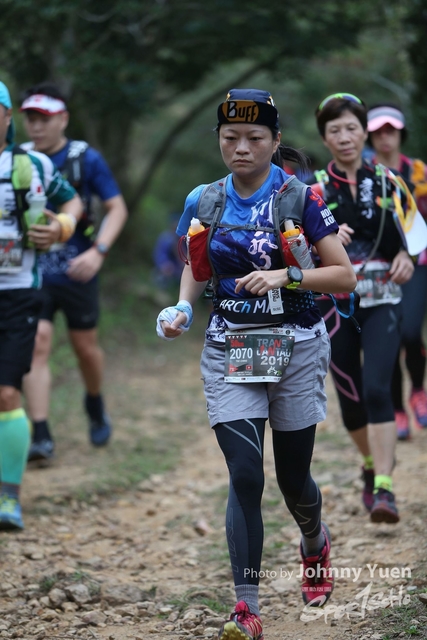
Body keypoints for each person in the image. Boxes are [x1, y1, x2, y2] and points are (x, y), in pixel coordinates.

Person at [157, 89, 356, 640]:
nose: (241, 148)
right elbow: (196, 265)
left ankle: (314, 542)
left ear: (274, 141)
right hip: (231, 347)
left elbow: (343, 277)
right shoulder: (204, 200)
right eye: (230, 138)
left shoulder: (300, 198)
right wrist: (182, 307)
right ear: (219, 141)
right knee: (245, 473)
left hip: (296, 346)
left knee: (293, 480)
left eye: (254, 138)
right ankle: (246, 607)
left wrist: (286, 275)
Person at [310, 93, 424, 524]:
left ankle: (385, 489)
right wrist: (322, 238)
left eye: (351, 128)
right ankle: (371, 464)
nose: (344, 137)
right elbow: (293, 248)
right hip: (333, 307)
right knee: (351, 400)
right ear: (325, 139)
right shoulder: (313, 191)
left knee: (378, 389)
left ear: (364, 133)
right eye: (334, 130)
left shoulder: (392, 182)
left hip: (383, 301)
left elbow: (417, 233)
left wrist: (407, 256)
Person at [19, 82, 128, 461]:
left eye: (44, 119)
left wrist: (98, 252)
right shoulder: (19, 160)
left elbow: (117, 208)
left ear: (63, 119)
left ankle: (94, 401)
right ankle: (41, 433)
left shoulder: (85, 158)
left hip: (78, 271)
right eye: (31, 119)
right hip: (33, 273)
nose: (37, 127)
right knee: (37, 342)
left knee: (85, 349)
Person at [0, 80, 82, 530]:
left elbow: (71, 201)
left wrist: (62, 228)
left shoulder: (32, 165)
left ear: (7, 117)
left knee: (7, 392)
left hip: (17, 293)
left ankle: (9, 496)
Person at [367, 103, 427, 440]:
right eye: (378, 131)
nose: (384, 137)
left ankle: (417, 389)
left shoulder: (419, 173)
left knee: (410, 332)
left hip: (417, 262)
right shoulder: (364, 174)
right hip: (377, 266)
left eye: (390, 130)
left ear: (401, 133)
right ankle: (397, 409)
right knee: (386, 338)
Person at [152, 213, 184, 288]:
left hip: (177, 271)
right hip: (164, 268)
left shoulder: (182, 241)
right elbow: (158, 254)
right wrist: (164, 264)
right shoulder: (165, 237)